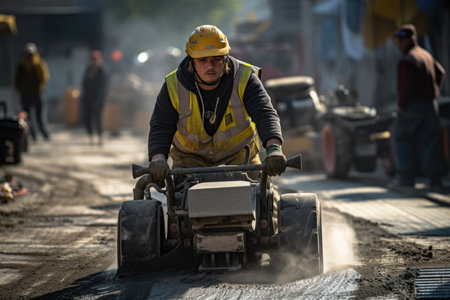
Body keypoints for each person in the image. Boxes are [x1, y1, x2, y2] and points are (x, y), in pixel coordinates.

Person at [147, 24, 286, 182]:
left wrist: (274, 149)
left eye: (216, 59)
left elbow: (265, 113)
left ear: (225, 58)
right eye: (202, 60)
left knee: (263, 198)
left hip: (241, 162)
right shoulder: (173, 86)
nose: (210, 66)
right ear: (191, 61)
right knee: (179, 202)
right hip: (189, 165)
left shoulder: (245, 78)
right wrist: (158, 159)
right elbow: (161, 126)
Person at [392, 24, 446, 189]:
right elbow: (441, 72)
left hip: (412, 108)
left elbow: (404, 87)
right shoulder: (426, 55)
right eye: (399, 41)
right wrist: (434, 90)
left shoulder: (407, 60)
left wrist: (401, 106)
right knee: (429, 142)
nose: (400, 44)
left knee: (401, 138)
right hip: (430, 106)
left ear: (411, 40)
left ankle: (406, 179)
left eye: (402, 40)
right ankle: (435, 180)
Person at [14, 42, 50, 141]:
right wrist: (21, 89)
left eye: (31, 54)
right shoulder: (21, 66)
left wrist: (40, 88)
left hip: (37, 95)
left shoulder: (39, 64)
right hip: (25, 96)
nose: (30, 56)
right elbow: (16, 80)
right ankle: (33, 135)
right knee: (27, 119)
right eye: (28, 54)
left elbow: (44, 78)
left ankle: (45, 134)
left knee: (40, 118)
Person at [80, 50, 108, 146]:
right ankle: (90, 137)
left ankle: (100, 137)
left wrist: (99, 99)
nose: (94, 61)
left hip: (98, 100)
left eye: (96, 59)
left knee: (98, 118)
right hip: (88, 98)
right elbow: (83, 83)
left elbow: (103, 87)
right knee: (87, 118)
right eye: (93, 59)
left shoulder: (102, 71)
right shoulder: (88, 70)